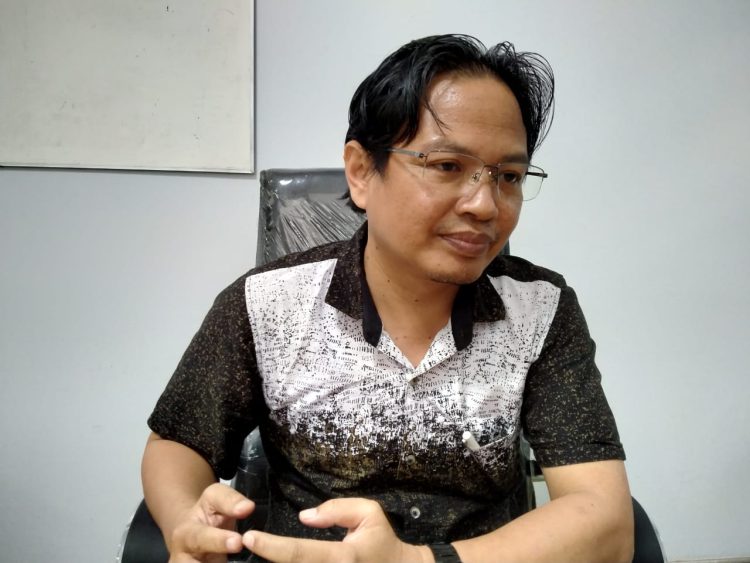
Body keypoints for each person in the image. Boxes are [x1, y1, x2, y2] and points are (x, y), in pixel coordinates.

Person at [142, 34, 634, 562]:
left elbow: (604, 521)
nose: (485, 205)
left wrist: (418, 561)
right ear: (361, 171)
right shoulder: (268, 302)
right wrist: (185, 519)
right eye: (447, 166)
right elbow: (177, 442)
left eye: (508, 176)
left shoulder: (540, 310)